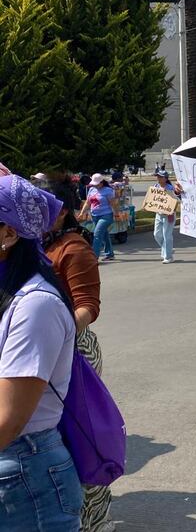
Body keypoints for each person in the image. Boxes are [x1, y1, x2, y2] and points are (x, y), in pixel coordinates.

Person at [0, 175, 83, 531]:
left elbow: (9, 418)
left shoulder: (37, 306)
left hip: (26, 476)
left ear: (9, 234)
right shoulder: (12, 293)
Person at [42, 183, 113, 532]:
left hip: (74, 351)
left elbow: (88, 306)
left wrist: (60, 330)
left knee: (80, 440)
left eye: (46, 206)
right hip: (41, 349)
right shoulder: (32, 242)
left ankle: (94, 521)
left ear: (63, 211)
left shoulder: (73, 248)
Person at [79, 173, 118, 262]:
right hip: (95, 215)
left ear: (101, 182)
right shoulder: (91, 189)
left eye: (97, 184)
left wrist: (116, 213)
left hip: (106, 215)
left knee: (97, 234)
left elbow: (113, 203)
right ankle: (110, 254)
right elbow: (88, 203)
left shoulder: (108, 190)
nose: (95, 186)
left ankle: (94, 257)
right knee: (104, 234)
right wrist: (82, 212)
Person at [153, 170, 181, 264]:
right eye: (157, 176)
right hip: (159, 214)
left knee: (167, 235)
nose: (158, 178)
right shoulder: (156, 187)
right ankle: (167, 249)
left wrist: (171, 211)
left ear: (165, 178)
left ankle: (168, 257)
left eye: (160, 177)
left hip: (168, 215)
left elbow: (176, 201)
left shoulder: (170, 188)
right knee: (157, 234)